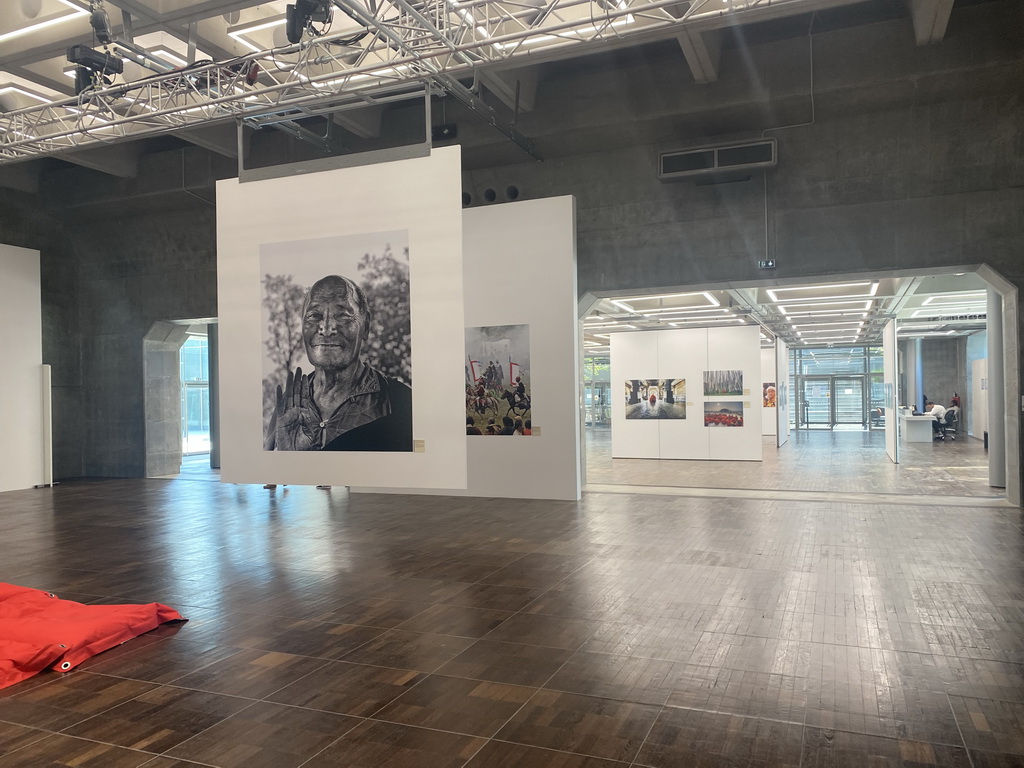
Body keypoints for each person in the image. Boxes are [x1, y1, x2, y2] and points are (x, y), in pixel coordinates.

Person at [265, 275, 412, 452]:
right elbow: (271, 476)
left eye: (343, 315)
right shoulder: (287, 407)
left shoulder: (400, 403)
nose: (326, 329)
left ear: (365, 326)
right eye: (314, 315)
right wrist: (289, 458)